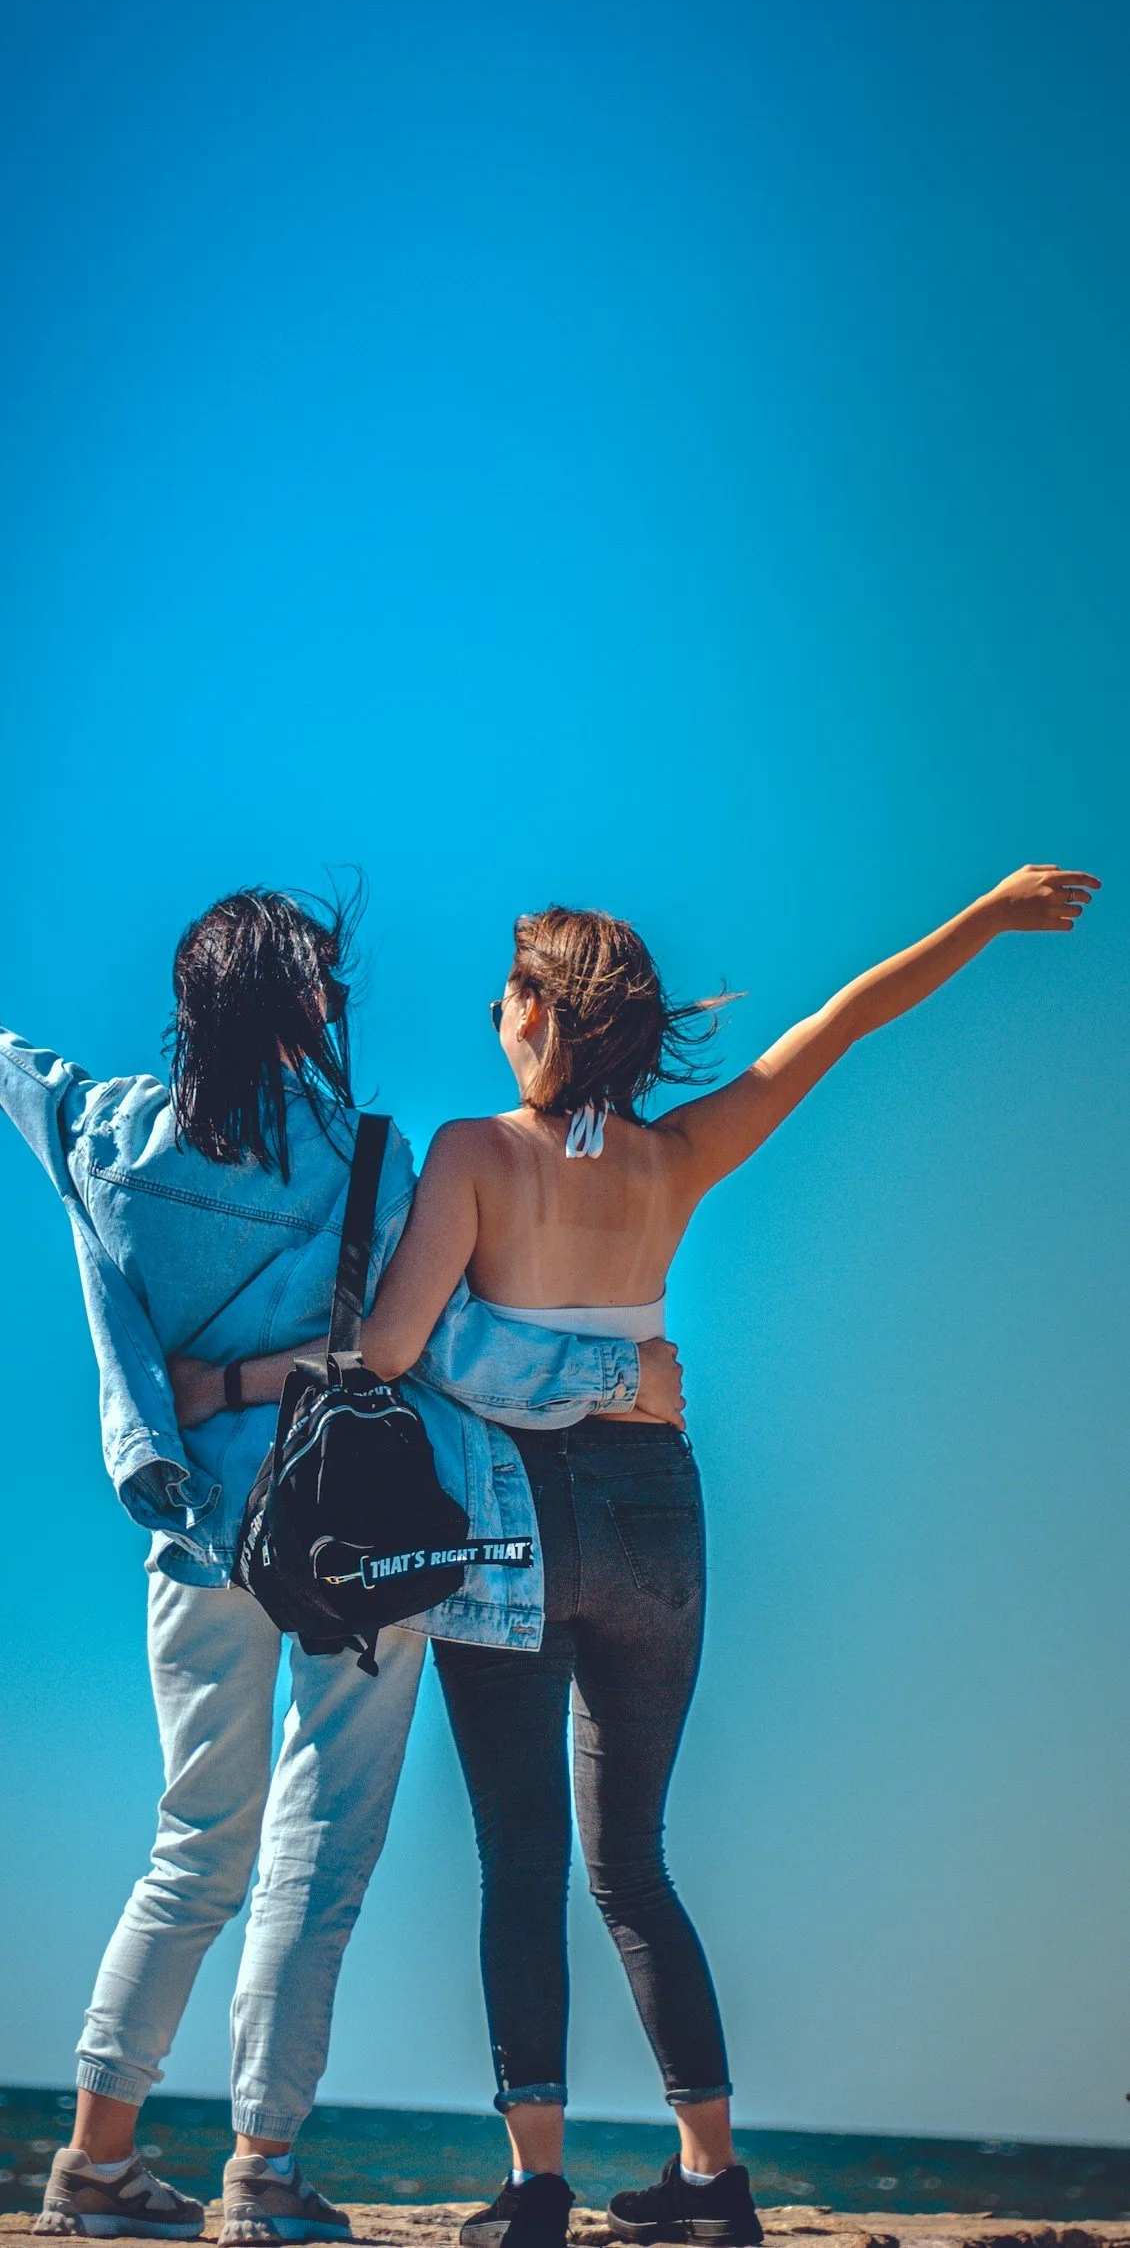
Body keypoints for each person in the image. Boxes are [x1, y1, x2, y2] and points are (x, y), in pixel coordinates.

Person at [175, 863, 1096, 2248]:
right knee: (635, 1866)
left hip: (514, 1522)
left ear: (542, 1012)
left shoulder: (475, 1155)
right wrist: (982, 916)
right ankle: (712, 2181)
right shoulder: (677, 1159)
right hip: (660, 1511)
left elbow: (389, 1353)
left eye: (507, 994)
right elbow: (841, 1023)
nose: (493, 1013)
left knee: (522, 1861)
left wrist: (235, 1388)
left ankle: (536, 2187)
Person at [0, 847, 684, 2245]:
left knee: (188, 1849)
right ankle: (259, 2178)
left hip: (198, 1538)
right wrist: (624, 1379)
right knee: (314, 1862)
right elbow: (444, 1349)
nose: (342, 998)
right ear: (300, 1009)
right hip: (358, 1538)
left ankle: (95, 2167)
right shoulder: (378, 1165)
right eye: (327, 981)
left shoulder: (101, 1131)